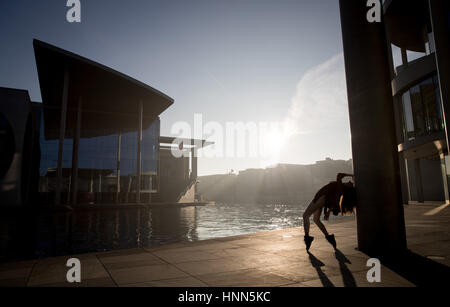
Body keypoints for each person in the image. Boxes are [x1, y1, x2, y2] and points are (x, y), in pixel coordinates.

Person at [303, 173, 356, 251]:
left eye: (350, 183)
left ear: (349, 188)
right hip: (321, 199)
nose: (349, 182)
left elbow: (339, 175)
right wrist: (328, 212)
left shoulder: (341, 187)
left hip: (320, 198)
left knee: (305, 216)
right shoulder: (340, 189)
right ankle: (329, 238)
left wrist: (351, 175)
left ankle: (307, 238)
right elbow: (335, 200)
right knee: (316, 220)